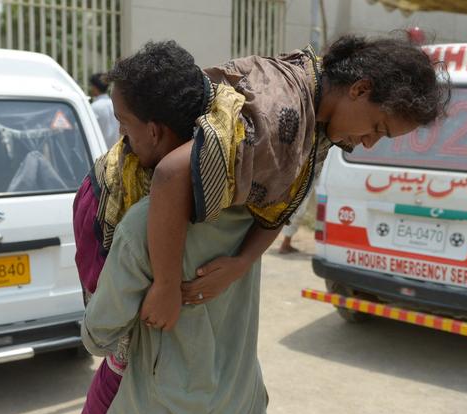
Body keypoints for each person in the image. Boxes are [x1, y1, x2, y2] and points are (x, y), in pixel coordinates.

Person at [63, 40, 279, 414]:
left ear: (155, 131)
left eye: (124, 125)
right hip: (230, 407)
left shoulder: (126, 209)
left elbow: (100, 333)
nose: (122, 138)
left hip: (145, 399)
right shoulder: (249, 200)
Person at [138, 35, 450, 331]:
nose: (369, 143)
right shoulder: (278, 114)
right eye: (377, 128)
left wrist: (242, 262)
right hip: (142, 234)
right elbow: (171, 174)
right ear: (360, 89)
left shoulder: (321, 114)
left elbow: (283, 202)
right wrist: (166, 286)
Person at [89, 72, 120, 149]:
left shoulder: (94, 107)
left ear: (94, 88)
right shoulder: (114, 104)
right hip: (115, 149)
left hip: (99, 150)